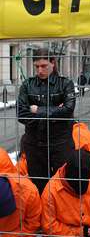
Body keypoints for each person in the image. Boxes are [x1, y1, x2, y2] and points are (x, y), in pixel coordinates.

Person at [17, 49, 76, 194]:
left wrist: (38, 110)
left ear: (53, 63)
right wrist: (55, 111)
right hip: (35, 144)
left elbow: (68, 111)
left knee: (63, 184)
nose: (39, 70)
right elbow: (21, 115)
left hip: (60, 143)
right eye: (37, 66)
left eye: (43, 66)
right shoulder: (27, 85)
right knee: (38, 186)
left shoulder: (65, 84)